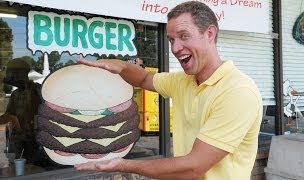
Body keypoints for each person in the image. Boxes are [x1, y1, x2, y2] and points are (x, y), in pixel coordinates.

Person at [75, 1, 263, 179]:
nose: (175, 48)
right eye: (171, 40)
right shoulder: (182, 81)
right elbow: (144, 78)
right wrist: (120, 66)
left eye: (184, 36)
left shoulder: (238, 92)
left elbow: (193, 168)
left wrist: (124, 165)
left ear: (210, 34)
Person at [0, 58, 42, 164]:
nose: (10, 77)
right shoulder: (15, 94)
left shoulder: (38, 90)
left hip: (35, 141)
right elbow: (9, 115)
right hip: (18, 139)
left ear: (23, 73)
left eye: (12, 73)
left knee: (33, 167)